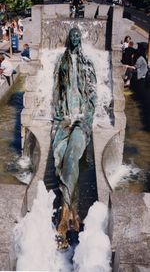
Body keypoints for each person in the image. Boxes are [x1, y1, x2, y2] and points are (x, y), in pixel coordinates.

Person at [52, 27, 97, 248]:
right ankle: (73, 214)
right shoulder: (61, 62)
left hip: (81, 120)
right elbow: (56, 92)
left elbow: (93, 94)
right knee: (59, 157)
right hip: (64, 119)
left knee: (70, 156)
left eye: (79, 35)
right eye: (73, 36)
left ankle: (65, 213)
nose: (76, 38)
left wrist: (85, 116)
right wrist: (60, 117)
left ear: (81, 39)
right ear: (69, 38)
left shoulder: (87, 63)